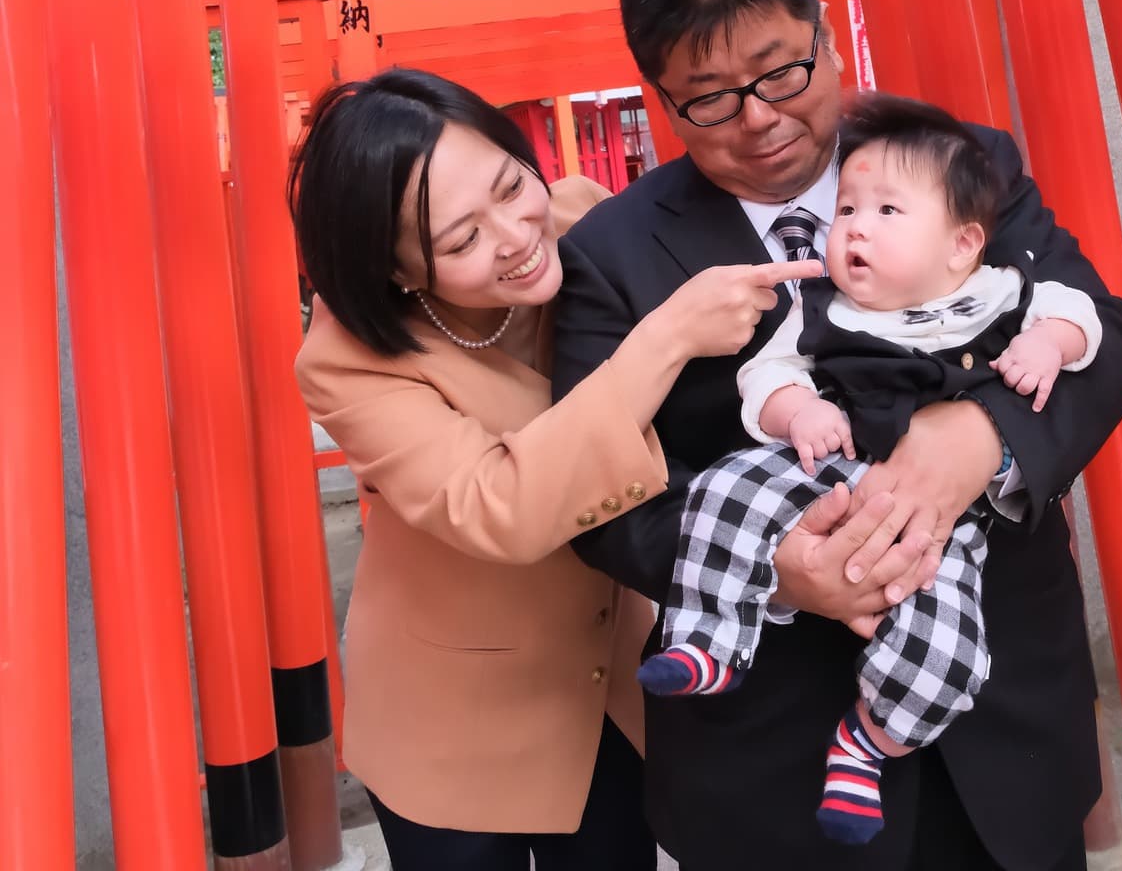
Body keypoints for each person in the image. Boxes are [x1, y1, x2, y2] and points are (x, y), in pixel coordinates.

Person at [551, 0, 1122, 871]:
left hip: (1004, 715)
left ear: (822, 29)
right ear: (660, 96)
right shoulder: (609, 257)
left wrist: (979, 441)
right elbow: (600, 498)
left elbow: (1098, 334)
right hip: (769, 759)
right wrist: (774, 566)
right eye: (711, 97)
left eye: (783, 70)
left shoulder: (964, 163)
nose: (762, 117)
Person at [290, 68, 813, 871]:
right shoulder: (347, 360)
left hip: (612, 692)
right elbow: (497, 505)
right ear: (398, 271)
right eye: (460, 239)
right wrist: (666, 338)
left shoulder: (584, 222)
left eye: (511, 183)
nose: (514, 235)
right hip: (454, 724)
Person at [637, 94, 1102, 848]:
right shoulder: (819, 305)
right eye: (848, 207)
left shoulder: (995, 287)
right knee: (723, 494)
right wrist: (798, 414)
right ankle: (711, 638)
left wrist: (1045, 348)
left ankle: (867, 743)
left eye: (887, 212)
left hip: (950, 536)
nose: (854, 223)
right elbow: (770, 376)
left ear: (961, 245)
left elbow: (1084, 315)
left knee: (947, 646)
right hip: (826, 480)